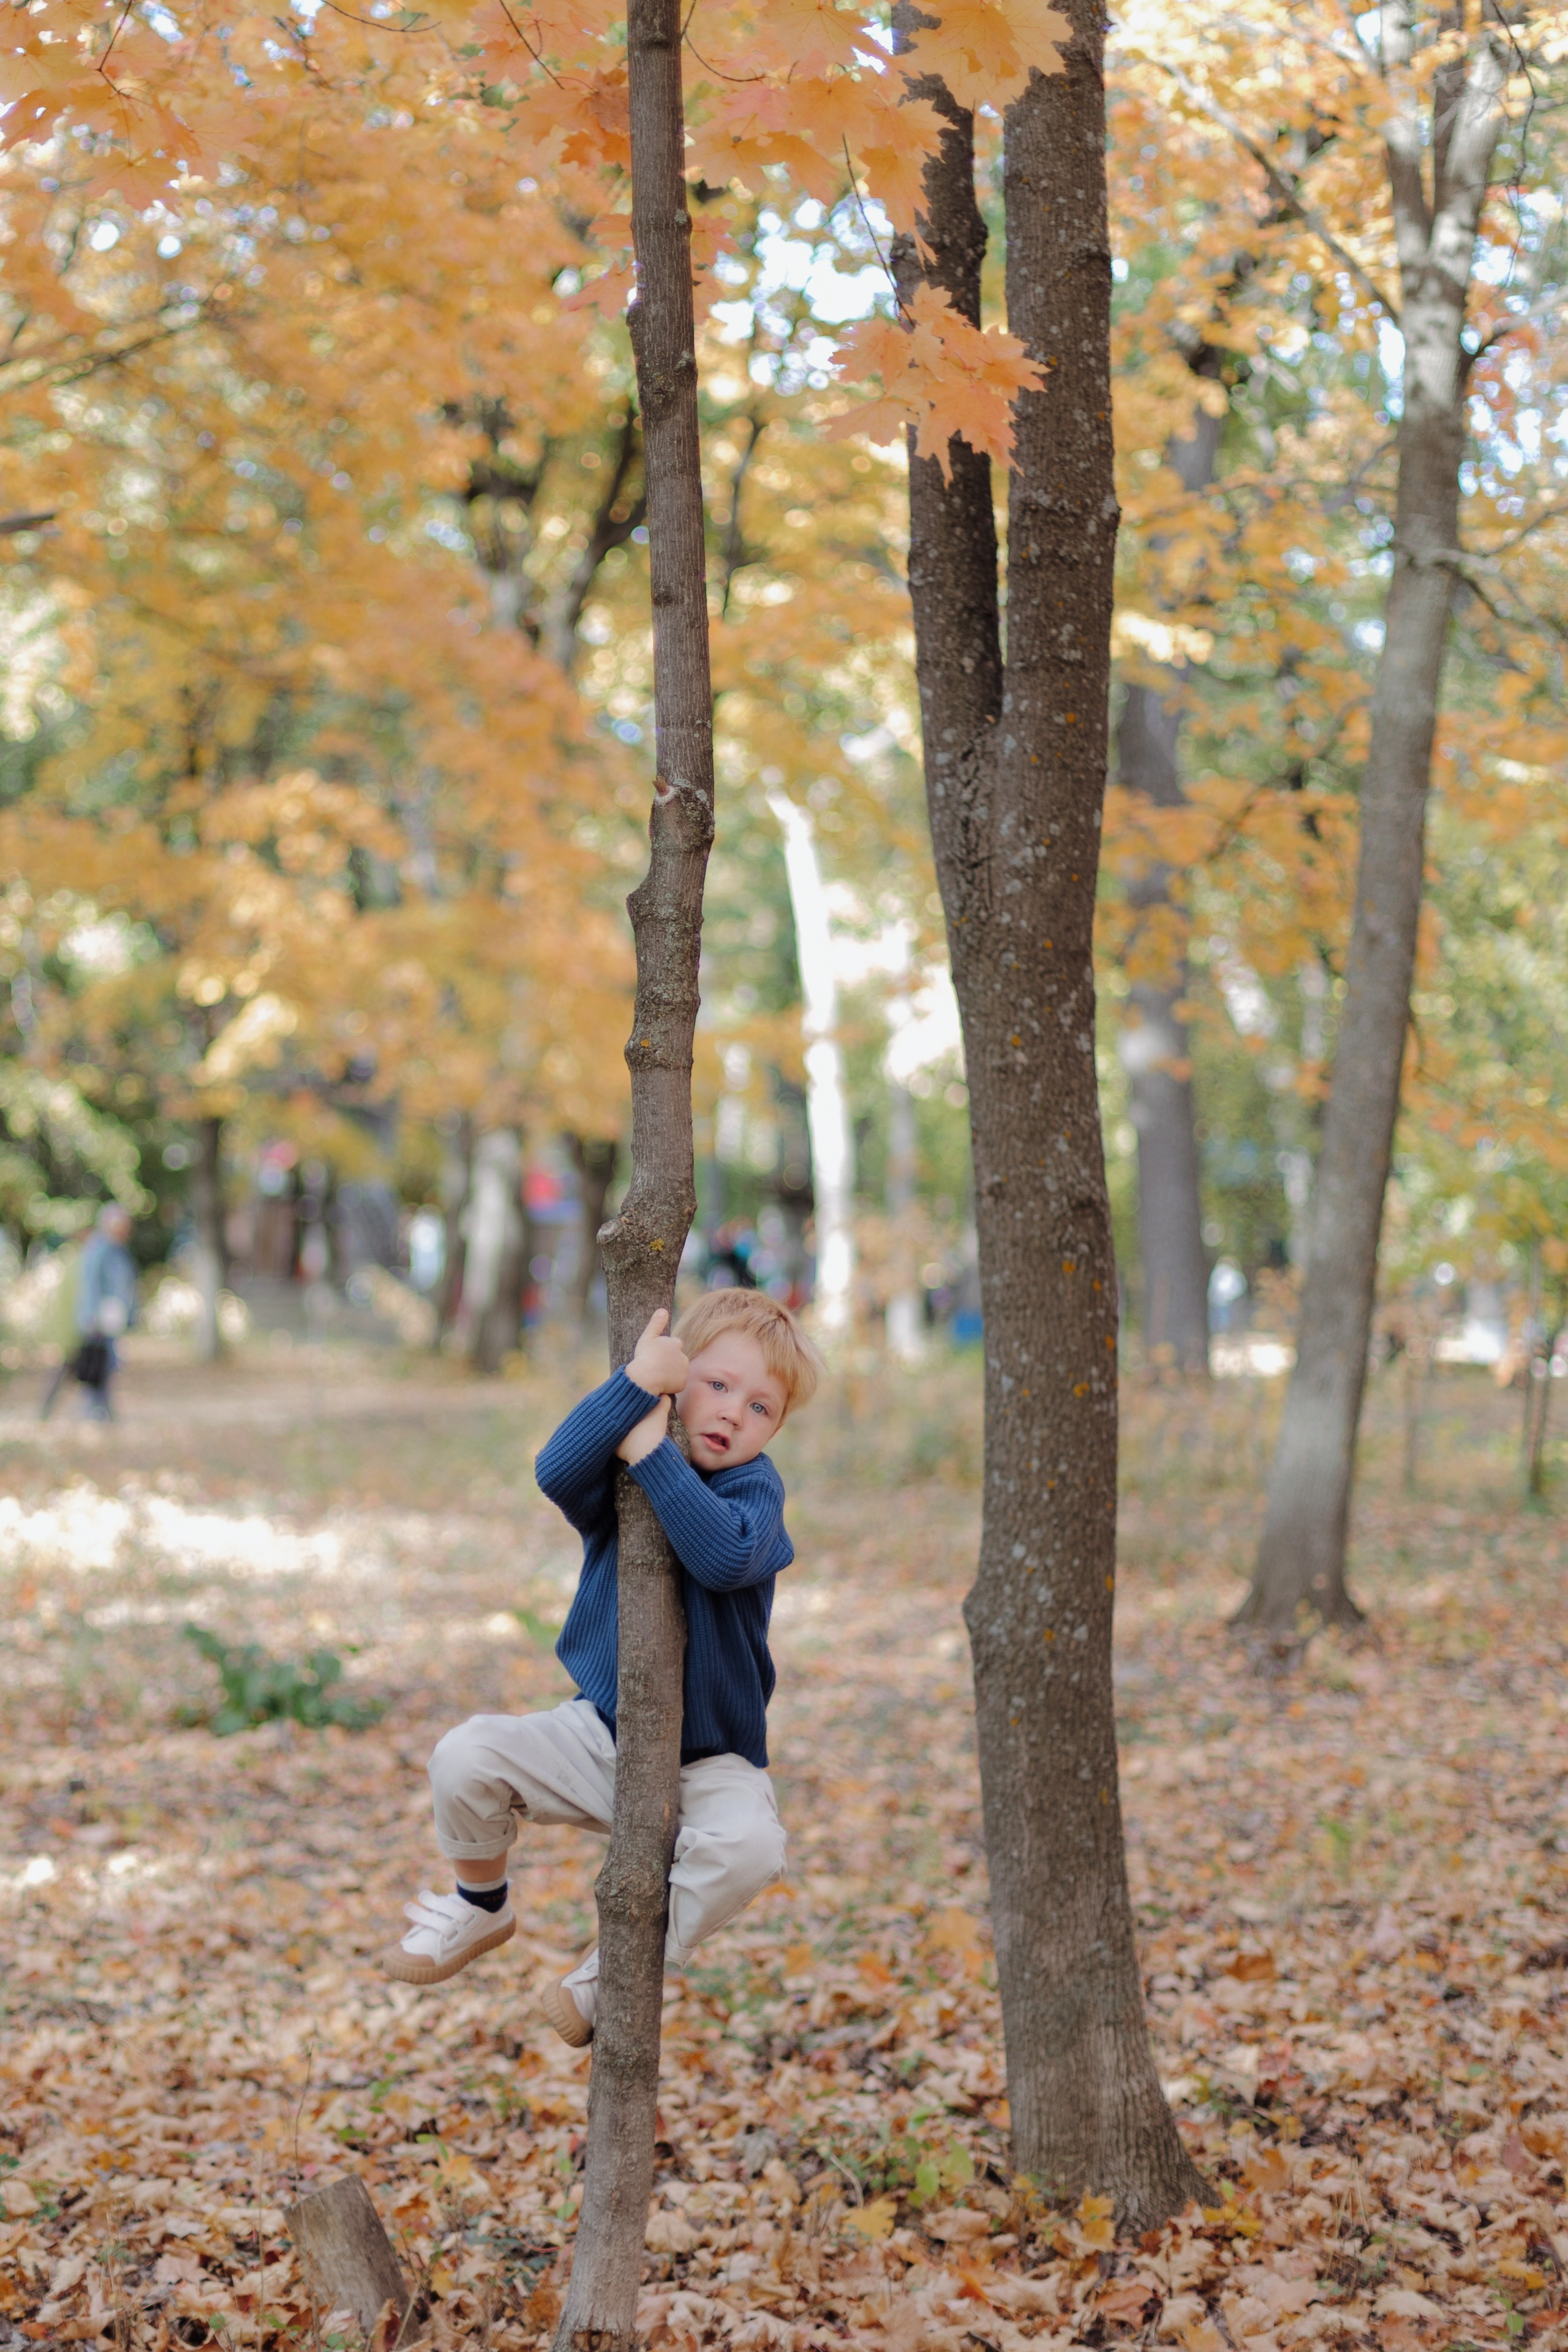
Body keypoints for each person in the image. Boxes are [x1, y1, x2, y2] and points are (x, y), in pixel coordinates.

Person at [380, 1287, 823, 2043]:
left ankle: (610, 1970)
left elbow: (719, 1558)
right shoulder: (626, 1461)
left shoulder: (755, 1490)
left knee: (752, 1849)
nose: (730, 1414)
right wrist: (631, 1390)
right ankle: (480, 1904)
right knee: (465, 1755)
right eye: (716, 1386)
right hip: (601, 1736)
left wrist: (651, 1450)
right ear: (678, 1375)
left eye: (760, 1408)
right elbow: (555, 1470)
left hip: (710, 1763)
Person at [40, 1205, 138, 1422]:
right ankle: (93, 1410)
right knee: (88, 1365)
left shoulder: (116, 1249)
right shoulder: (100, 1248)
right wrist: (93, 1316)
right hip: (97, 1321)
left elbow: (124, 1286)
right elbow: (91, 1285)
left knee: (100, 1365)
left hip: (109, 1320)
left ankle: (101, 1410)